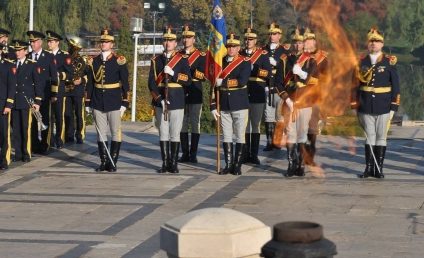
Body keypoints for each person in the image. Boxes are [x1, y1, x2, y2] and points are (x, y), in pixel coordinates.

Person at [352, 27, 400, 179]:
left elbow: (396, 86)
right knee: (369, 137)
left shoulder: (389, 61)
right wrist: (354, 104)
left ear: (382, 44)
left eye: (377, 41)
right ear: (368, 44)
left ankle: (379, 169)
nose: (374, 44)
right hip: (365, 105)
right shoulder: (362, 61)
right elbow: (354, 85)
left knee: (381, 137)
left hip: (384, 105)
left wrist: (394, 106)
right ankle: (368, 168)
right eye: (371, 41)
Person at [275, 28, 319, 177]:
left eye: (300, 42)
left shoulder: (310, 60)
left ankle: (300, 164)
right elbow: (278, 83)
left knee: (302, 134)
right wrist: (287, 99)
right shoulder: (284, 60)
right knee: (290, 133)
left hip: (305, 102)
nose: (297, 45)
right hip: (289, 103)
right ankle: (291, 164)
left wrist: (300, 73)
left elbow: (312, 80)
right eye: (295, 42)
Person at [148, 26, 192, 173]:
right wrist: (159, 98)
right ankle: (165, 163)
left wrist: (173, 73)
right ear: (163, 43)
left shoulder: (182, 59)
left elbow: (188, 80)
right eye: (166, 40)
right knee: (163, 133)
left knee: (175, 132)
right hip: (161, 100)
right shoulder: (156, 60)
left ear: (175, 43)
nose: (168, 43)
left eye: (171, 40)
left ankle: (173, 163)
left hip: (177, 99)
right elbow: (151, 83)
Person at [85, 29, 129, 172]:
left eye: (107, 42)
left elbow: (125, 83)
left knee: (115, 132)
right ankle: (104, 161)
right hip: (98, 100)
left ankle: (113, 161)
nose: (104, 44)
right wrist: (88, 102)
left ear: (111, 44)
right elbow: (90, 83)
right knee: (101, 133)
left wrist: (125, 102)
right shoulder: (93, 61)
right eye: (102, 42)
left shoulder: (119, 60)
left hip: (114, 100)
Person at [210, 33, 251, 175]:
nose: (231, 49)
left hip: (239, 103)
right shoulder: (220, 62)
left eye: (234, 46)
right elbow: (214, 85)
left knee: (240, 135)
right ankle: (228, 164)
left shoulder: (245, 62)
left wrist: (225, 82)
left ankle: (237, 165)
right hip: (224, 105)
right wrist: (213, 105)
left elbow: (242, 81)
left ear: (239, 48)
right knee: (226, 136)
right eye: (229, 46)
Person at [240, 27, 272, 165]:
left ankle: (254, 154)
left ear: (255, 40)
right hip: (243, 91)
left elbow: (268, 73)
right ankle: (245, 153)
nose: (248, 41)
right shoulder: (240, 53)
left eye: (251, 39)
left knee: (255, 124)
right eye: (246, 39)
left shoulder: (262, 55)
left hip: (257, 91)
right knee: (244, 125)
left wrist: (256, 70)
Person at [9, 40, 43, 163]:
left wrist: (37, 101)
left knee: (26, 128)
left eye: (19, 50)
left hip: (26, 100)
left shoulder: (32, 64)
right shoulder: (12, 64)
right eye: (15, 50)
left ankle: (26, 152)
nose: (17, 53)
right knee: (16, 129)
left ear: (25, 51)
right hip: (14, 100)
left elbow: (38, 84)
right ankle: (18, 153)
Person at [178, 25, 206, 164]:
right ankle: (184, 153)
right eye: (184, 37)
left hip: (195, 90)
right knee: (182, 124)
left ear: (194, 39)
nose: (186, 40)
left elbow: (203, 75)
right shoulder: (178, 55)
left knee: (195, 123)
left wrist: (188, 70)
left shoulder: (201, 56)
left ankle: (193, 153)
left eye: (189, 37)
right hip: (181, 91)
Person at [27, 30, 58, 154]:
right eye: (31, 42)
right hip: (31, 94)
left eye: (34, 42)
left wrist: (54, 94)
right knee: (33, 121)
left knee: (44, 119)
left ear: (40, 42)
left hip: (45, 94)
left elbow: (54, 77)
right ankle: (34, 144)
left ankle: (45, 144)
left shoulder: (49, 56)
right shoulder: (28, 56)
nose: (32, 44)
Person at [263, 22, 291, 151]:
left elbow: (287, 70)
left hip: (279, 88)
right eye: (270, 34)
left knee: (279, 116)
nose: (271, 36)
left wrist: (277, 63)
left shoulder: (284, 50)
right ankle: (269, 142)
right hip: (267, 86)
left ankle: (277, 141)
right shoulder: (264, 50)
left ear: (280, 35)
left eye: (274, 34)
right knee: (268, 116)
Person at [303, 29, 329, 167]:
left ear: (314, 42)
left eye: (310, 40)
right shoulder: (300, 57)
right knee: (301, 127)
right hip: (301, 95)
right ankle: (301, 155)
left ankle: (310, 155)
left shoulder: (323, 58)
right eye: (305, 40)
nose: (307, 43)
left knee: (312, 128)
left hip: (315, 95)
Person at [46, 30, 73, 149]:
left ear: (57, 42)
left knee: (58, 115)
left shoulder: (64, 55)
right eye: (48, 41)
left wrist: (59, 75)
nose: (49, 44)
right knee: (48, 116)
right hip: (46, 89)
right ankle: (49, 139)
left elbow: (70, 74)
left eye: (51, 41)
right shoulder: (45, 55)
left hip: (59, 89)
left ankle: (59, 139)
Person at [64, 36, 87, 144]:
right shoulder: (65, 58)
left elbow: (88, 76)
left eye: (72, 47)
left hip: (78, 90)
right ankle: (69, 135)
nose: (70, 48)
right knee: (68, 113)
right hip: (67, 89)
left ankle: (80, 135)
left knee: (79, 113)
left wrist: (81, 80)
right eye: (70, 46)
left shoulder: (82, 60)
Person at [0, 42, 17, 170]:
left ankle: (4, 160)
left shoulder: (8, 65)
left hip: (2, 103)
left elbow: (12, 86)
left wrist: (9, 104)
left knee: (3, 133)